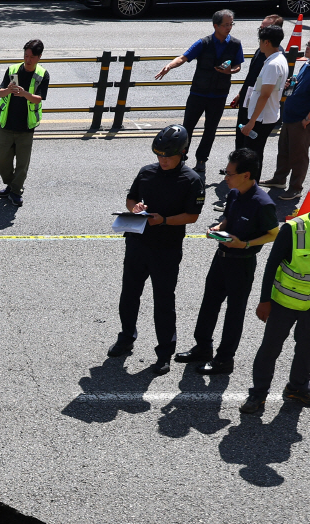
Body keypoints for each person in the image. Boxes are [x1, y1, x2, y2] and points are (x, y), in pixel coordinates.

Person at [108, 125, 205, 375]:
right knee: (129, 295)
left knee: (163, 301)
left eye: (168, 156)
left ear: (182, 152)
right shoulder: (146, 172)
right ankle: (126, 337)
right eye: (159, 156)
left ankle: (164, 353)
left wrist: (164, 221)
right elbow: (131, 198)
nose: (163, 161)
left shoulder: (192, 180)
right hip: (137, 244)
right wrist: (135, 208)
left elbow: (192, 216)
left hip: (166, 250)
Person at [175, 148, 279, 376]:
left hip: (242, 263)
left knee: (234, 312)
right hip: (221, 257)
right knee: (209, 303)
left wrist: (245, 244)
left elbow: (273, 234)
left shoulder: (263, 203)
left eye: (229, 174)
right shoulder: (233, 194)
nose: (225, 178)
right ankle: (203, 347)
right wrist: (219, 227)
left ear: (246, 175)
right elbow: (228, 219)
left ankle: (224, 359)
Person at [155, 9, 243, 177]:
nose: (229, 27)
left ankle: (201, 160)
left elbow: (238, 66)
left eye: (231, 24)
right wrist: (169, 66)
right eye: (226, 25)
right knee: (187, 128)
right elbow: (184, 57)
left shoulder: (235, 44)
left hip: (219, 95)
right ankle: (181, 157)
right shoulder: (204, 43)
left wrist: (230, 71)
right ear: (216, 26)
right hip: (198, 93)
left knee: (210, 130)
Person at [238, 207, 310, 413]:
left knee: (306, 349)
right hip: (283, 303)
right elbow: (271, 265)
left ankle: (297, 387)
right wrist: (264, 301)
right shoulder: (294, 229)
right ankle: (258, 394)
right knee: (270, 349)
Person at [0, 40, 47, 209]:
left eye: (32, 57)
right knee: (3, 161)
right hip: (6, 124)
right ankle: (11, 185)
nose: (28, 60)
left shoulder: (42, 74)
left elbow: (39, 99)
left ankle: (16, 191)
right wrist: (8, 90)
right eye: (26, 56)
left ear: (39, 57)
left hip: (26, 127)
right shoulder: (12, 70)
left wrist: (25, 94)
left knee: (22, 164)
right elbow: (0, 93)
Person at [238, 25, 287, 180]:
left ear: (266, 42)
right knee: (255, 154)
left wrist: (251, 122)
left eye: (260, 41)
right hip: (265, 116)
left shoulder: (273, 65)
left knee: (252, 156)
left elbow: (265, 95)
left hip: (261, 119)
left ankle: (251, 188)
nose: (259, 44)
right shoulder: (278, 59)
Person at [231, 14, 283, 159]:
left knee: (252, 148)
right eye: (260, 28)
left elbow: (266, 92)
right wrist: (241, 93)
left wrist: (252, 120)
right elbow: (252, 76)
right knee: (240, 138)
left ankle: (244, 167)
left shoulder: (274, 58)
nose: (260, 32)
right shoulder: (262, 50)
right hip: (248, 99)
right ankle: (237, 165)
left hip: (258, 110)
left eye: (264, 29)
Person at [263, 56, 310, 202]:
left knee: (298, 155)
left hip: (301, 119)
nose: (307, 47)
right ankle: (279, 179)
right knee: (284, 150)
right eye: (308, 45)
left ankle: (296, 188)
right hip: (290, 116)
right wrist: (291, 83)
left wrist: (308, 118)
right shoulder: (306, 65)